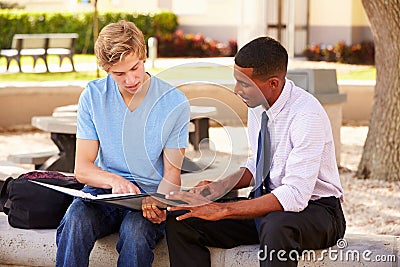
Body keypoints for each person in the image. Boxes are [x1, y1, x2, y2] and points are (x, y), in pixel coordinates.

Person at [165, 36, 346, 267]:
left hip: (318, 212)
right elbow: (258, 165)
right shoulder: (258, 105)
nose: (236, 90)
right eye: (236, 81)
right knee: (182, 219)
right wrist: (217, 188)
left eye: (244, 83)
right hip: (267, 205)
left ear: (273, 83)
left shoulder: (306, 115)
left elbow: (295, 195)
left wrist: (222, 209)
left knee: (276, 227)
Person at [55, 20, 190, 267]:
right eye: (119, 73)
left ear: (144, 56)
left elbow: (172, 174)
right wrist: (116, 182)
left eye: (135, 68)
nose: (130, 80)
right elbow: (82, 169)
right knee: (75, 219)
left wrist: (158, 201)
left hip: (149, 196)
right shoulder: (93, 96)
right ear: (106, 69)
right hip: (102, 194)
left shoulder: (174, 103)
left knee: (136, 233)